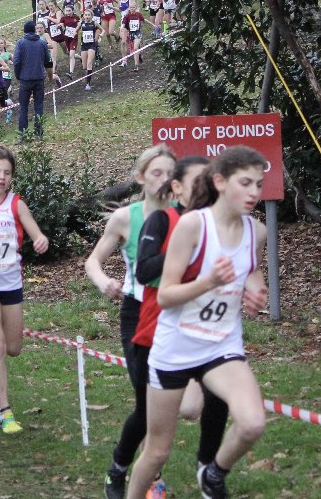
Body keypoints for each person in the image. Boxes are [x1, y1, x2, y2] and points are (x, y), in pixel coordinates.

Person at [127, 147, 270, 499]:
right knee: (157, 450)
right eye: (246, 183)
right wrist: (208, 283)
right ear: (220, 182)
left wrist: (255, 290)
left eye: (259, 184)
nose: (254, 193)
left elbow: (248, 269)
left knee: (252, 423)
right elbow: (165, 295)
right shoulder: (193, 225)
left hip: (221, 345)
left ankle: (213, 474)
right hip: (176, 347)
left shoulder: (257, 231)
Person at [81, 145, 176, 497]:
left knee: (162, 399)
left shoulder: (185, 216)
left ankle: (147, 472)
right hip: (137, 312)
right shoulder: (125, 218)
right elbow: (93, 261)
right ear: (140, 178)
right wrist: (103, 280)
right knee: (146, 400)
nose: (165, 180)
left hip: (175, 312)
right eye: (157, 173)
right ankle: (122, 469)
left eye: (170, 173)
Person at [0, 145, 50, 434]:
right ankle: (5, 410)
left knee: (14, 348)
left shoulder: (15, 204)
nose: (2, 177)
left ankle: (3, 403)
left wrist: (40, 240)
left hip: (11, 283)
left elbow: (36, 232)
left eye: (7, 173)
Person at [12, 21, 55, 138]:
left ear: (25, 31)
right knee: (39, 107)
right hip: (39, 78)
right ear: (35, 30)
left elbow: (16, 62)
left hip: (25, 79)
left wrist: (18, 76)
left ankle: (23, 135)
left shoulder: (20, 43)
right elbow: (48, 61)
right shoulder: (42, 43)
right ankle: (39, 133)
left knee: (23, 108)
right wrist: (49, 75)